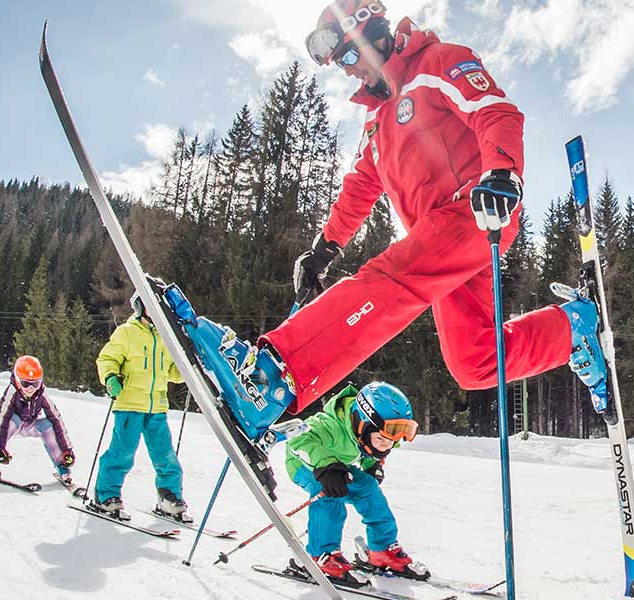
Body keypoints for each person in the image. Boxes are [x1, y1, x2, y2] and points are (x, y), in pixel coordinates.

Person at [165, 0, 608, 448]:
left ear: (376, 33)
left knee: (390, 280)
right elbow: (360, 185)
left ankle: (272, 378)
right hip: (440, 240)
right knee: (474, 362)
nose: (349, 71)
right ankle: (574, 328)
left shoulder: (437, 63)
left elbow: (496, 112)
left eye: (352, 57)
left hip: (475, 213)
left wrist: (501, 172)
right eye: (341, 64)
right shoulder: (376, 121)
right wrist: (325, 247)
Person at [284, 381, 427, 584]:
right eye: (381, 440)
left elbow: (367, 449)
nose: (386, 448)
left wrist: (372, 465)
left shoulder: (361, 433)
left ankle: (381, 548)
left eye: (391, 443)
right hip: (305, 464)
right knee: (331, 495)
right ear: (362, 424)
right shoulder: (329, 426)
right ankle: (321, 555)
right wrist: (326, 468)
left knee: (369, 489)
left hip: (337, 466)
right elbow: (296, 442)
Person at [88, 296, 190, 522]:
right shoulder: (126, 332)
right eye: (151, 306)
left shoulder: (166, 338)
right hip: (129, 404)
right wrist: (111, 377)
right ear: (141, 307)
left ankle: (169, 496)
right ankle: (106, 495)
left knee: (165, 455)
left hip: (157, 406)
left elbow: (172, 371)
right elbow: (106, 359)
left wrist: (188, 371)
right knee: (122, 452)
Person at [0, 356, 77, 486]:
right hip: (13, 424)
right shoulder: (12, 392)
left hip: (30, 424)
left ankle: (61, 465)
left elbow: (57, 420)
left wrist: (67, 450)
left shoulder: (42, 395)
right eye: (26, 383)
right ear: (17, 379)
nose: (31, 388)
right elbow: (2, 419)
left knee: (48, 425)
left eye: (35, 383)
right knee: (12, 420)